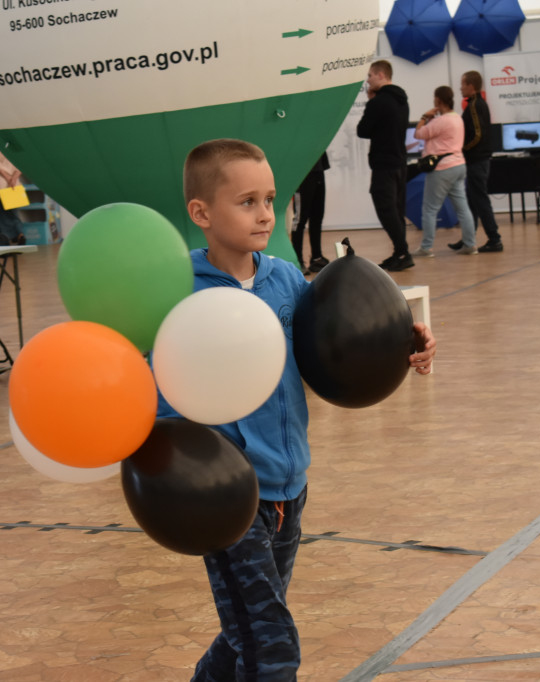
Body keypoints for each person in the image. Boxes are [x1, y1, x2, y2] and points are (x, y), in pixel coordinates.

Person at [165, 138, 437, 681]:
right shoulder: (176, 292)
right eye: (247, 201)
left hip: (290, 487)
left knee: (245, 633)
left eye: (271, 199)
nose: (266, 213)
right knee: (272, 649)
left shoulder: (287, 280)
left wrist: (402, 345)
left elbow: (336, 345)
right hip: (228, 501)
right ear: (201, 213)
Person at [357, 60, 413, 271]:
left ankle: (403, 252)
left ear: (381, 75)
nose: (368, 80)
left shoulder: (378, 102)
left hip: (384, 164)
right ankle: (399, 252)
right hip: (400, 162)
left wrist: (371, 102)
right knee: (397, 210)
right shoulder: (402, 100)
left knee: (386, 209)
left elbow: (363, 130)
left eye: (370, 76)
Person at [413, 86, 479, 257]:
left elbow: (418, 133)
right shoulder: (457, 118)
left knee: (429, 209)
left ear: (438, 100)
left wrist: (424, 117)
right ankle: (470, 244)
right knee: (463, 208)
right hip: (459, 165)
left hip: (442, 169)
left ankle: (426, 248)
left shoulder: (440, 121)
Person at [450, 71, 503, 253]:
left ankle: (494, 239)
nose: (460, 87)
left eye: (463, 84)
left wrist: (462, 149)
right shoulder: (476, 104)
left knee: (479, 200)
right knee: (472, 200)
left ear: (471, 86)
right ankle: (468, 238)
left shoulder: (474, 106)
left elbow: (477, 134)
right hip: (477, 160)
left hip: (476, 160)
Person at [292, 151, 330, 274]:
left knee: (317, 216)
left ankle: (317, 257)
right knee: (300, 220)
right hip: (301, 171)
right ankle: (297, 260)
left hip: (318, 170)